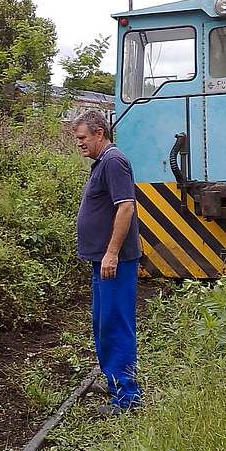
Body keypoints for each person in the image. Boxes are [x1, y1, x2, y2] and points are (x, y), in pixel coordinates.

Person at [73, 111, 142, 416]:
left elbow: (126, 207)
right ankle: (115, 381)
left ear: (99, 133)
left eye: (83, 137)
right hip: (102, 261)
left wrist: (112, 252)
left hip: (115, 261)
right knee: (103, 323)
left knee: (116, 324)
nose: (79, 143)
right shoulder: (103, 162)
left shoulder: (114, 161)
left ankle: (127, 397)